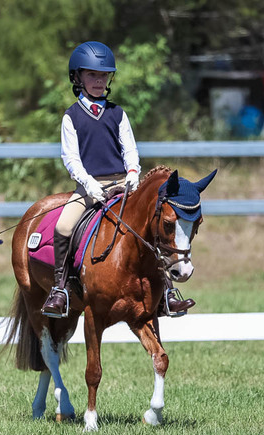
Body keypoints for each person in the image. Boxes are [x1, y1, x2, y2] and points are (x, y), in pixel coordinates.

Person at [41, 41, 195, 318]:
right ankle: (61, 289)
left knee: (152, 226)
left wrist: (134, 173)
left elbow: (130, 149)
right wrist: (88, 184)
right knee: (64, 226)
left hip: (123, 184)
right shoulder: (71, 117)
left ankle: (168, 293)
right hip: (89, 187)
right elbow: (71, 158)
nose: (99, 81)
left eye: (103, 76)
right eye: (92, 75)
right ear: (77, 78)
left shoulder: (118, 113)